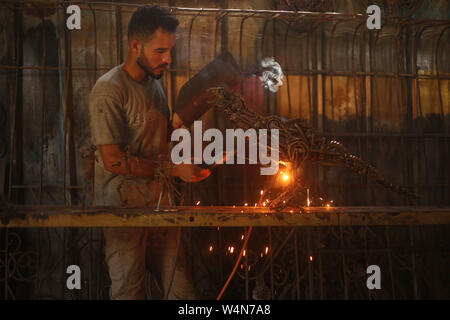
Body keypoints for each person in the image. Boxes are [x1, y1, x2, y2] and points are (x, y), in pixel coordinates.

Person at [88, 4, 210, 300]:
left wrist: (186, 118)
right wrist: (173, 170)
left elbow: (158, 138)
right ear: (135, 46)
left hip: (160, 204)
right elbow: (113, 160)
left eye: (170, 50)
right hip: (124, 209)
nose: (167, 59)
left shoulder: (155, 86)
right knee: (130, 292)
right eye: (160, 51)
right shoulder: (109, 89)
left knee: (181, 293)